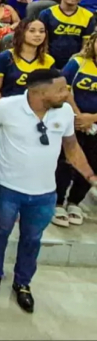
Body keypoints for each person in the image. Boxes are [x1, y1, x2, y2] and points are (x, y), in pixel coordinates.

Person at [0, 69, 97, 313]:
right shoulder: (6, 107)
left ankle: (23, 283)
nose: (67, 94)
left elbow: (72, 148)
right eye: (61, 90)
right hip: (7, 188)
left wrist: (91, 176)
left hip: (44, 192)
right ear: (39, 92)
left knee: (32, 240)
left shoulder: (64, 112)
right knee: (0, 232)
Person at [55, 35, 97, 228]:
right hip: (72, 121)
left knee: (92, 163)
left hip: (94, 123)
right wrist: (78, 115)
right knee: (65, 161)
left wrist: (92, 118)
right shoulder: (78, 63)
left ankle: (75, 202)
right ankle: (57, 202)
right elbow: (62, 89)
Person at [0, 19, 55, 101]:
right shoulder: (5, 58)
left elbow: (51, 91)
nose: (38, 35)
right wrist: (2, 107)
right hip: (9, 105)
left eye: (42, 31)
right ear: (21, 33)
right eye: (32, 31)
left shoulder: (49, 60)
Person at [39, 0, 95, 68]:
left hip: (75, 62)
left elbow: (86, 46)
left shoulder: (88, 16)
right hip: (48, 60)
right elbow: (41, 42)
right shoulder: (47, 14)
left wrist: (76, 61)